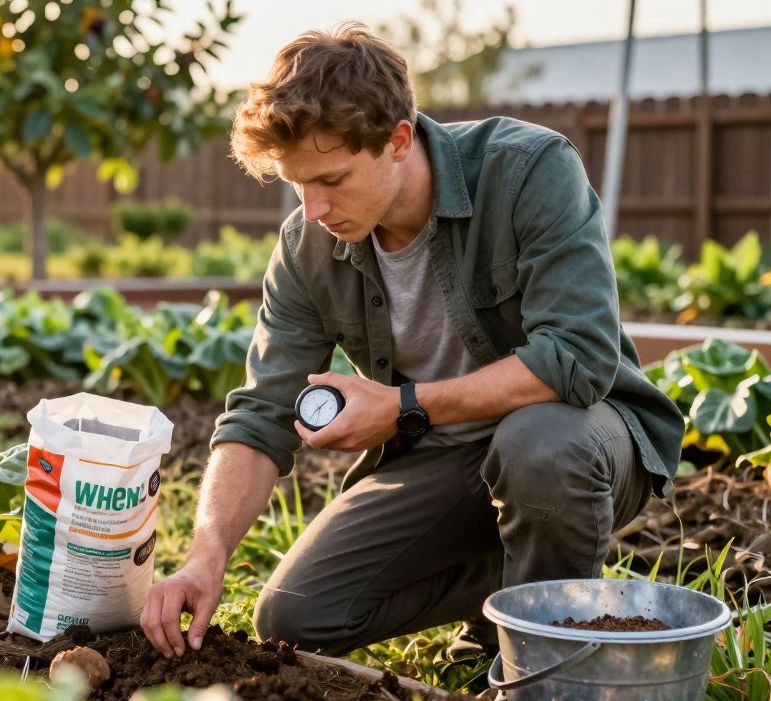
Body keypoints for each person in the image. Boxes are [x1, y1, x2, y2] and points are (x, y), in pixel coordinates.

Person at [139, 23, 685, 660]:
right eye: (297, 184)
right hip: (447, 458)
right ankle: (512, 585)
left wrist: (403, 407)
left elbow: (578, 356)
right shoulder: (306, 248)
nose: (313, 208)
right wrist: (204, 557)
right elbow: (261, 415)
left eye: (333, 179)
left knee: (538, 446)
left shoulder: (527, 170)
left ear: (398, 140)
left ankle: (546, 661)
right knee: (295, 617)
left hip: (580, 439)